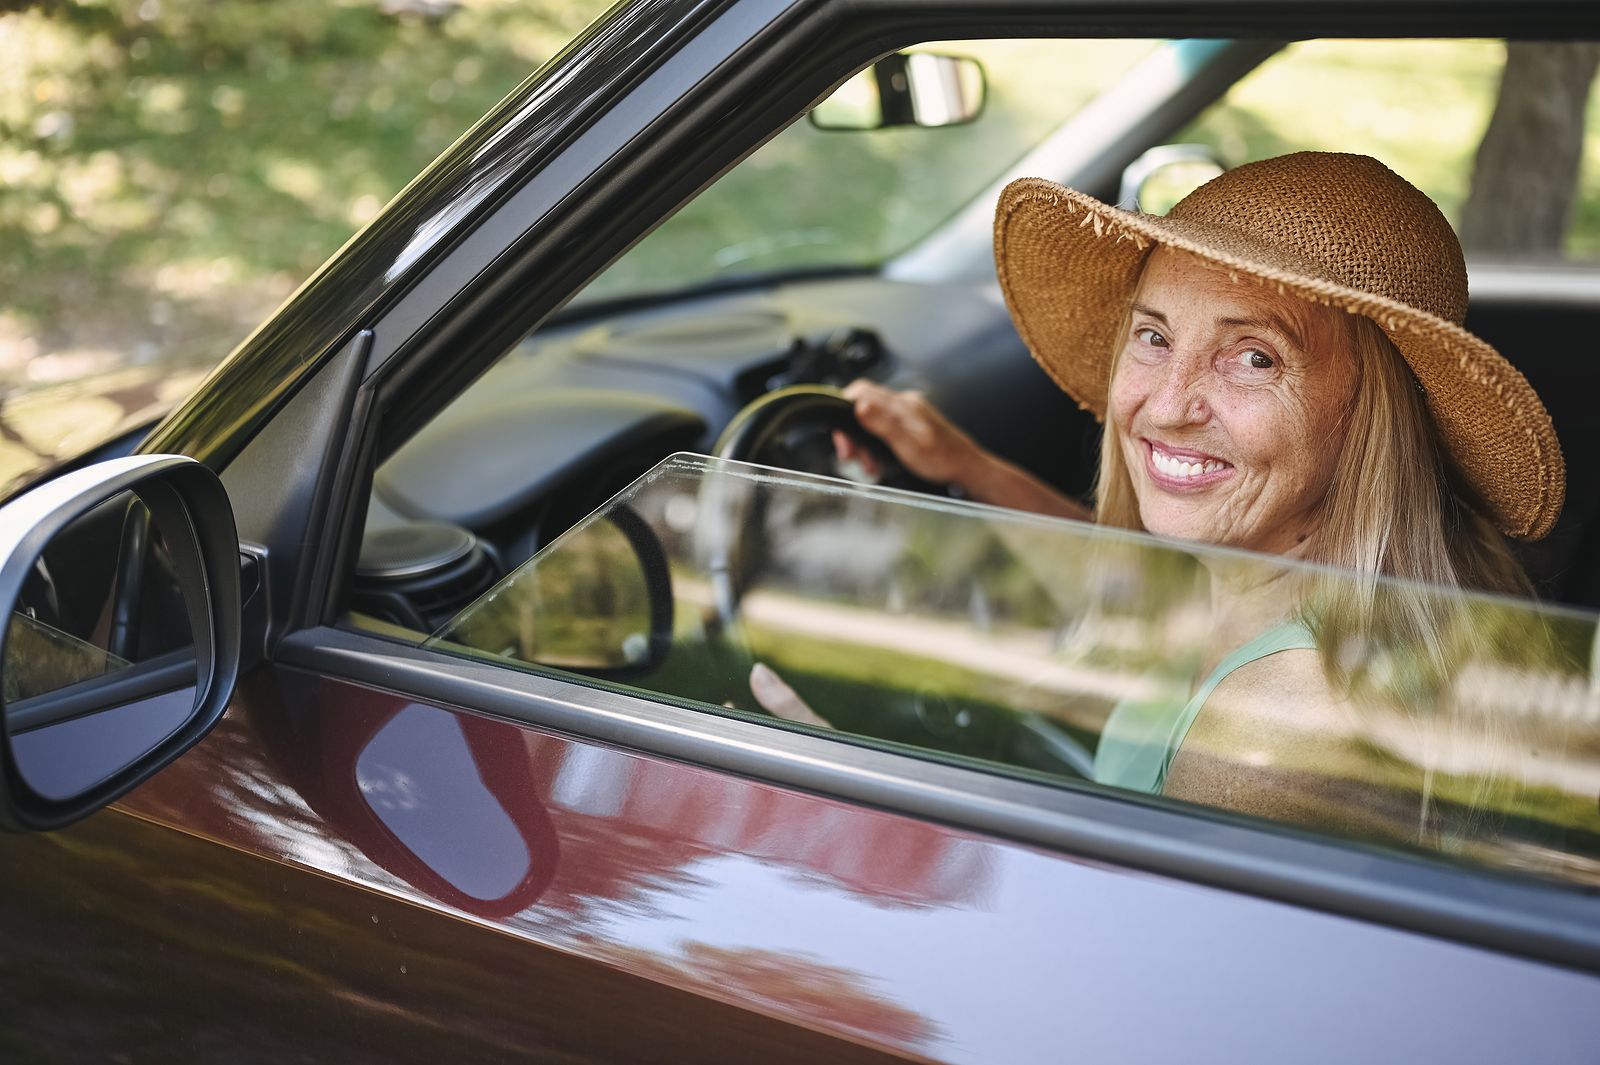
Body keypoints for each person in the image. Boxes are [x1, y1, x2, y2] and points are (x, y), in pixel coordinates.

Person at [755, 151, 1569, 840]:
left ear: (1372, 421)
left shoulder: (1277, 728)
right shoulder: (1271, 583)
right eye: (1154, 336)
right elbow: (1122, 586)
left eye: (1253, 357)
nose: (1168, 403)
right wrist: (965, 465)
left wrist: (854, 803)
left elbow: (1106, 987)